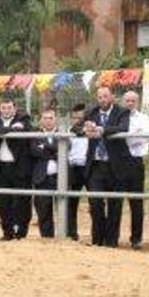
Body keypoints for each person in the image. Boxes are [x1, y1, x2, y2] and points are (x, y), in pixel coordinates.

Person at [82, 86, 131, 248]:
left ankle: (111, 242)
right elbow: (76, 127)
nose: (102, 99)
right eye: (99, 97)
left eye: (105, 96)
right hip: (96, 165)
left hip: (116, 165)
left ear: (112, 97)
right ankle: (97, 239)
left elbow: (123, 128)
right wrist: (85, 128)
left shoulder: (121, 112)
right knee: (95, 203)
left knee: (115, 205)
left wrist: (102, 130)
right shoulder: (92, 112)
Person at [0, 98, 33, 240]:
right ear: (0, 108)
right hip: (1, 167)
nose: (6, 111)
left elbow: (20, 128)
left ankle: (21, 233)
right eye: (3, 108)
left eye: (9, 108)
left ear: (15, 108)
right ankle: (7, 233)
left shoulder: (23, 118)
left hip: (20, 167)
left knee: (22, 201)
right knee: (4, 201)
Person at [120, 90, 149, 248]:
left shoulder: (144, 119)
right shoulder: (117, 117)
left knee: (136, 203)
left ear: (137, 102)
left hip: (136, 162)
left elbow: (144, 136)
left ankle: (136, 238)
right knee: (115, 201)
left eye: (133, 101)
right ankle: (112, 237)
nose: (130, 103)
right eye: (127, 100)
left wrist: (126, 137)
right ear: (122, 101)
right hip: (118, 163)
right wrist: (132, 136)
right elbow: (116, 136)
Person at [29, 108, 62, 238]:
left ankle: (66, 238)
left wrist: (45, 147)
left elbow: (66, 148)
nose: (48, 121)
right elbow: (33, 151)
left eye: (51, 118)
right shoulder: (34, 135)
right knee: (43, 210)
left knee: (64, 209)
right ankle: (47, 238)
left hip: (60, 178)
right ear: (40, 120)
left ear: (56, 119)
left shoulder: (63, 133)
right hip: (42, 178)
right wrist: (55, 151)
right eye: (45, 118)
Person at [66, 103, 89, 241]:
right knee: (71, 202)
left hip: (89, 168)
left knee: (95, 202)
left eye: (81, 117)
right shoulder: (69, 131)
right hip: (74, 168)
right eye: (75, 117)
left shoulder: (90, 130)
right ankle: (71, 233)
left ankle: (98, 235)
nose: (78, 120)